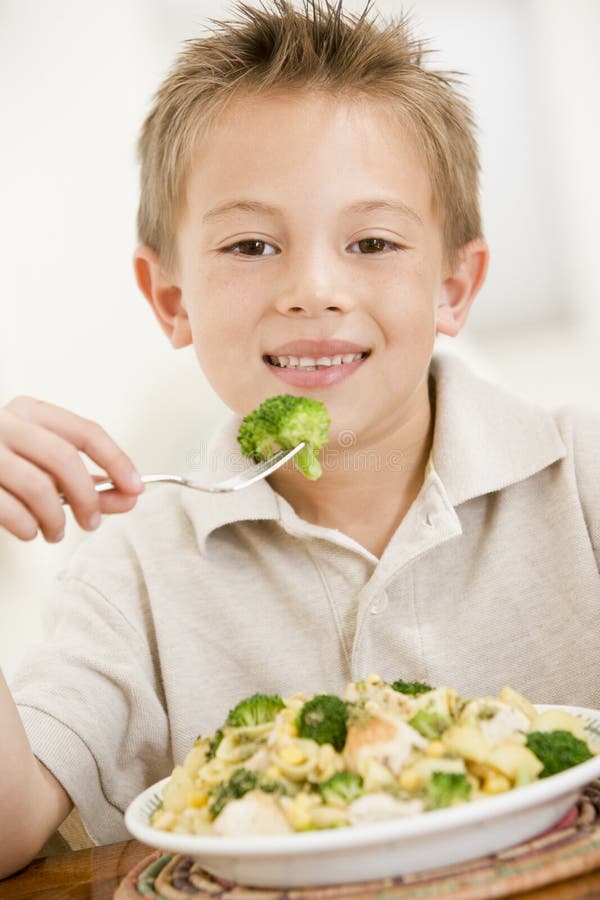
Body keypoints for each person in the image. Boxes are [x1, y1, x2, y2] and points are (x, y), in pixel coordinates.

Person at [1, 0, 599, 877]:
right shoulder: (130, 570)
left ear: (453, 288)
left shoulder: (581, 479)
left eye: (371, 240)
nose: (313, 290)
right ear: (171, 301)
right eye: (250, 245)